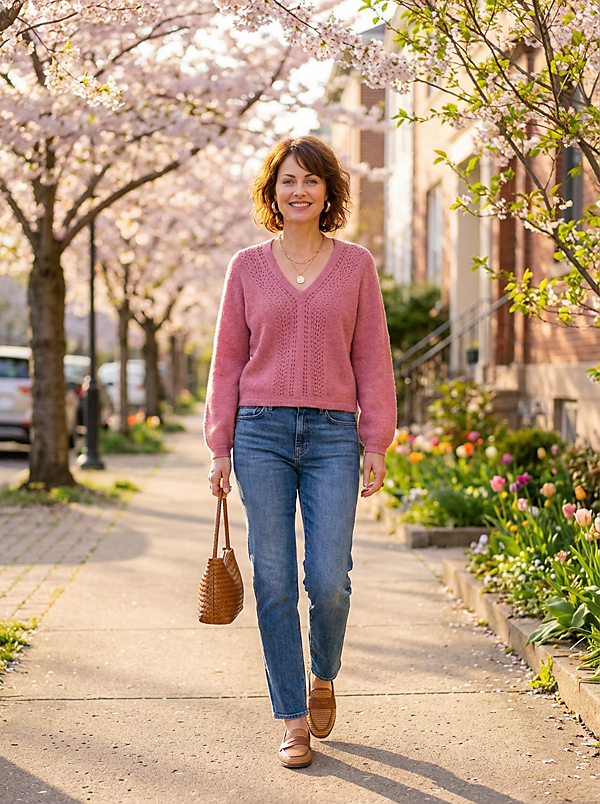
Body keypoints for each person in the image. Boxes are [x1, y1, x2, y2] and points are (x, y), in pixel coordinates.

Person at [204, 135, 397, 769]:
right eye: (288, 180)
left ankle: (326, 672)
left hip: (334, 437)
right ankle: (291, 717)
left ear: (328, 192)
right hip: (259, 432)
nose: (299, 191)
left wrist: (377, 441)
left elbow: (372, 358)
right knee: (275, 580)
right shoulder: (247, 266)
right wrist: (219, 446)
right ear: (273, 190)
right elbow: (227, 360)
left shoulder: (357, 265)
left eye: (311, 181)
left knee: (329, 580)